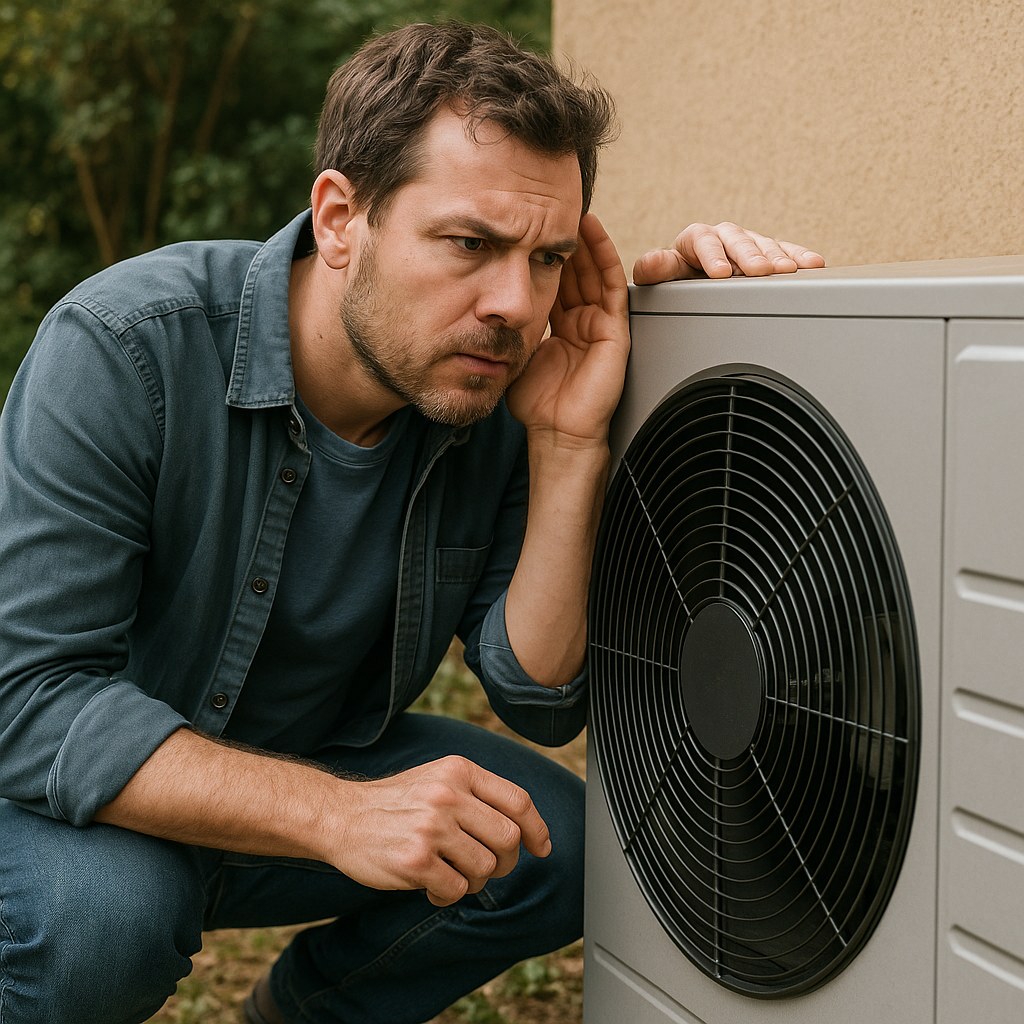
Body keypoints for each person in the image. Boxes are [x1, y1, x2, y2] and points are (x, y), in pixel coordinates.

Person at [0, 21, 824, 1024]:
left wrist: (573, 441)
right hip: (55, 810)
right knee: (111, 914)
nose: (514, 305)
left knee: (552, 842)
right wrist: (337, 811)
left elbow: (535, 695)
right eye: (471, 244)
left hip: (301, 757)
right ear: (341, 216)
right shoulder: (127, 349)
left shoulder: (491, 387)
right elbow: (33, 701)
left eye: (549, 256)